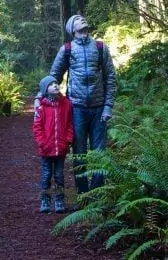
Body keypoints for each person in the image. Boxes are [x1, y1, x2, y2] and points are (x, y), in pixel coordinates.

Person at [47, 14, 117, 194]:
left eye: (83, 18)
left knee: (100, 154)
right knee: (79, 154)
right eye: (77, 19)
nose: (82, 19)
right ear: (72, 29)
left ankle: (98, 194)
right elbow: (54, 76)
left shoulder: (101, 47)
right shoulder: (67, 49)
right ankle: (83, 195)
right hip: (76, 108)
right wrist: (47, 95)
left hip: (99, 107)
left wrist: (108, 106)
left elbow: (110, 77)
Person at [32, 76, 74, 213]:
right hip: (46, 149)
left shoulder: (66, 104)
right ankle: (45, 200)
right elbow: (37, 127)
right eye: (51, 84)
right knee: (46, 175)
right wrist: (42, 142)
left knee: (59, 175)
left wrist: (68, 140)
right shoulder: (41, 107)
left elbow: (69, 124)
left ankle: (60, 200)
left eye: (57, 83)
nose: (55, 86)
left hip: (61, 148)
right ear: (45, 89)